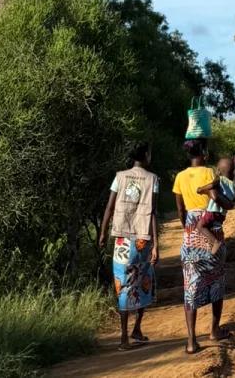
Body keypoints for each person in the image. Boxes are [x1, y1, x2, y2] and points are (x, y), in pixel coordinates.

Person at [99, 142, 159, 348]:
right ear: (145, 155)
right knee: (143, 281)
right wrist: (156, 245)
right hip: (143, 239)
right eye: (149, 153)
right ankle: (136, 328)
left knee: (124, 285)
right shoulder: (153, 180)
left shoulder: (120, 176)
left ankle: (124, 336)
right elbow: (153, 214)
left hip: (122, 239)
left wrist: (102, 232)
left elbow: (109, 207)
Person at [173, 138, 229, 354]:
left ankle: (191, 340)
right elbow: (218, 199)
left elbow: (180, 210)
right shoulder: (210, 174)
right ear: (204, 153)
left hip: (190, 230)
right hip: (210, 228)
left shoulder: (179, 177)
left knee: (190, 285)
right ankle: (214, 330)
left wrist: (187, 228)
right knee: (216, 279)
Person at [194, 155, 235, 255]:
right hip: (221, 215)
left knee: (200, 226)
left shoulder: (220, 180)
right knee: (211, 226)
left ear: (218, 171)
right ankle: (217, 244)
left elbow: (211, 185)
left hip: (212, 211)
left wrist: (201, 189)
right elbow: (233, 202)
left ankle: (215, 242)